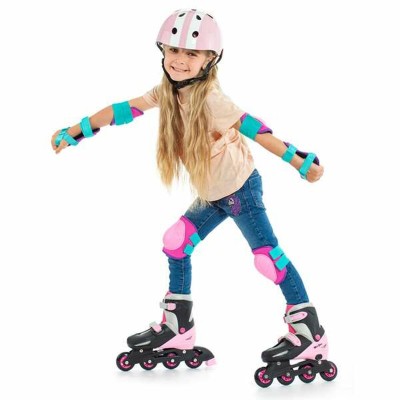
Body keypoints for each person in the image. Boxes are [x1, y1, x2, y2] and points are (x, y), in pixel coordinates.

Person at [51, 9, 337, 385]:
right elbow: (124, 110)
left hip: (240, 190)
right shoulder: (168, 93)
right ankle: (178, 328)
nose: (180, 60)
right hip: (211, 193)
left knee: (268, 258)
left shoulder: (213, 100)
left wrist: (299, 161)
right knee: (176, 242)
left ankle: (308, 333)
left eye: (191, 53)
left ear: (209, 59)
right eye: (173, 50)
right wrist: (77, 130)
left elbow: (255, 129)